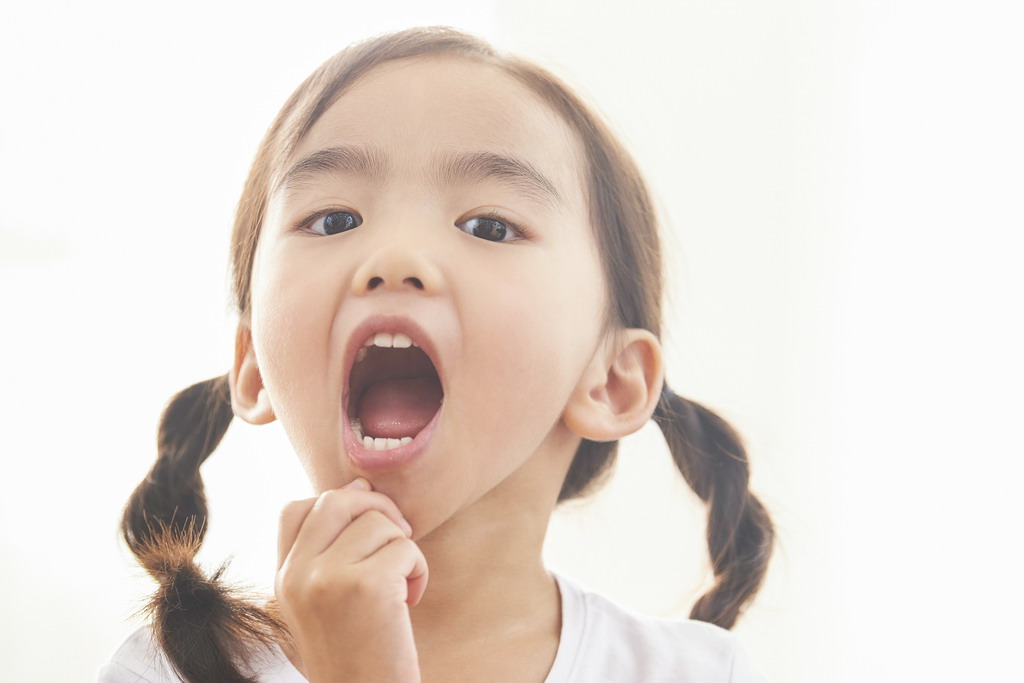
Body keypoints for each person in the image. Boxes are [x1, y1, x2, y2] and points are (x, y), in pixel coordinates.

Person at [99, 25, 775, 683]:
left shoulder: (697, 672)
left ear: (612, 381)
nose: (394, 257)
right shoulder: (162, 670)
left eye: (488, 226)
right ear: (253, 365)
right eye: (334, 219)